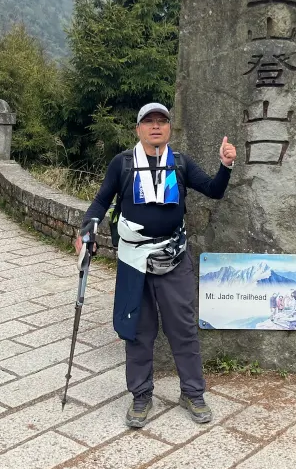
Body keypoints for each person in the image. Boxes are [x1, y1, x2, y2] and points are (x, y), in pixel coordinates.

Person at [75, 102, 236, 429]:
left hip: (173, 256)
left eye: (162, 121)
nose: (155, 126)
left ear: (169, 128)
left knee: (183, 327)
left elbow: (214, 190)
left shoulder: (180, 163)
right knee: (137, 329)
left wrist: (225, 165)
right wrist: (86, 229)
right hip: (133, 260)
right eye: (148, 121)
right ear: (138, 129)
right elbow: (101, 200)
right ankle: (141, 395)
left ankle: (192, 393)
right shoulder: (122, 164)